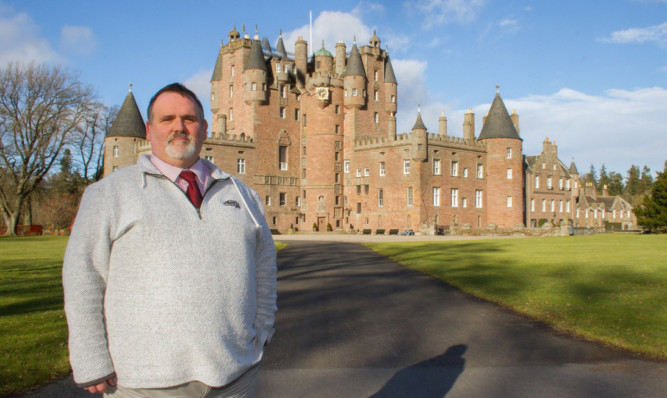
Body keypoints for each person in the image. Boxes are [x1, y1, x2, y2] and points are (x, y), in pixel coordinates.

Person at [63, 83, 277, 397]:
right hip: (143, 382)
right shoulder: (108, 194)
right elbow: (83, 276)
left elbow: (264, 266)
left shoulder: (243, 195)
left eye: (189, 119)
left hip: (236, 375)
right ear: (149, 131)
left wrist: (263, 329)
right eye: (167, 120)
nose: (179, 127)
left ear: (204, 129)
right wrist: (90, 358)